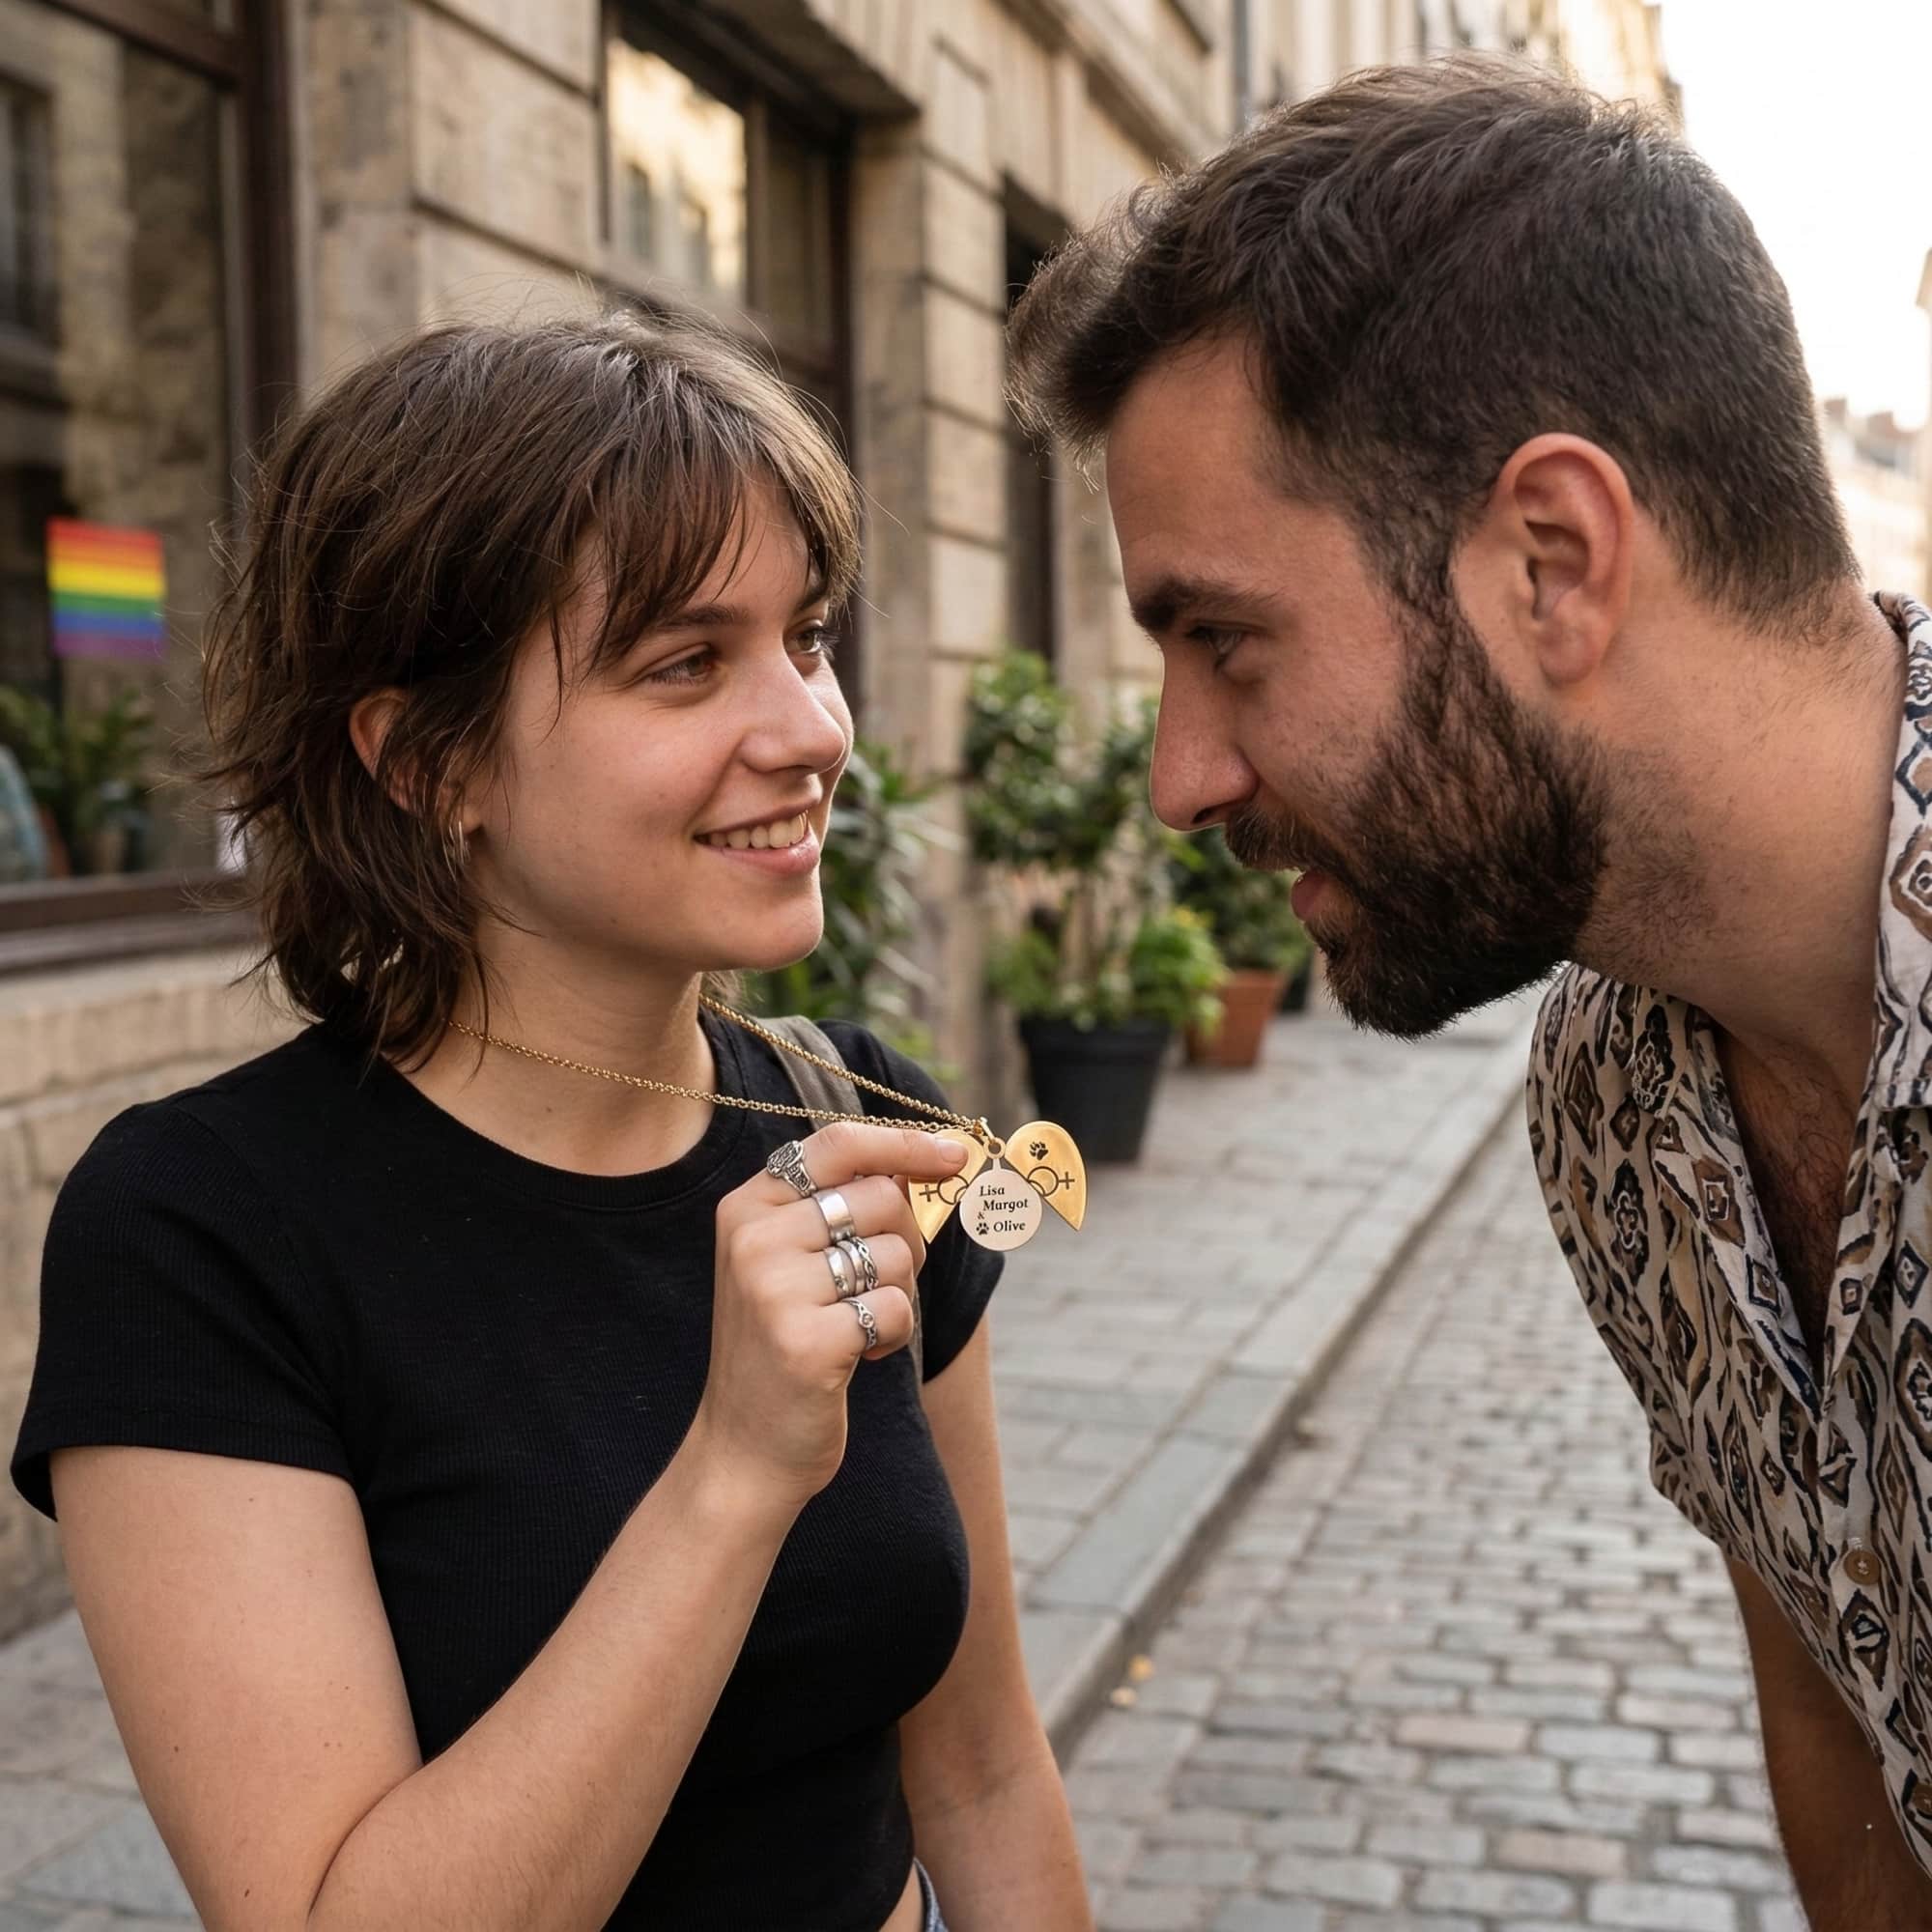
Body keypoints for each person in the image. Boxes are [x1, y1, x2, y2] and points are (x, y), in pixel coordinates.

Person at [8, 312, 1091, 1932]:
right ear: (428, 761)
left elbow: (986, 1772)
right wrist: (731, 1472)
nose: (812, 732)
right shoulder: (201, 1232)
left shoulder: (851, 1111)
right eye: (685, 664)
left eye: (807, 636)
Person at [1006, 50, 1932, 1927]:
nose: (1180, 775)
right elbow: (1839, 1700)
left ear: (1551, 561)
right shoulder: (1611, 1094)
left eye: (1223, 638)